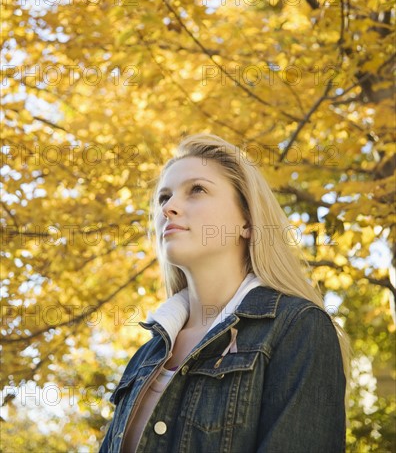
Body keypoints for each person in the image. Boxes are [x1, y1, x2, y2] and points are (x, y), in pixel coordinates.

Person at [99, 133, 350, 453]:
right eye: (164, 198)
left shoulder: (298, 328)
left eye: (197, 190)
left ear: (247, 220)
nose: (169, 208)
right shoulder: (146, 356)